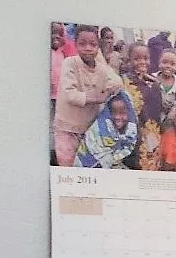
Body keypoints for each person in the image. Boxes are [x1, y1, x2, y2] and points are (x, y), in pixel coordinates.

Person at [53, 25, 122, 167]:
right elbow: (70, 95)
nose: (88, 48)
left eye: (93, 44)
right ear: (75, 45)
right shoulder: (70, 63)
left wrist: (108, 89)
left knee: (86, 169)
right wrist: (98, 98)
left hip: (89, 131)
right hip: (66, 129)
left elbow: (117, 83)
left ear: (98, 47)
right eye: (82, 44)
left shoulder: (102, 69)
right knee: (68, 169)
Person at [122, 42, 165, 170]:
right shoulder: (124, 82)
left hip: (153, 133)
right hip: (133, 135)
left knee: (151, 163)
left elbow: (157, 110)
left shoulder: (154, 82)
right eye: (137, 59)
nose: (142, 62)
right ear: (129, 61)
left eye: (146, 58)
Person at [75, 88, 138, 169]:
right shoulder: (99, 130)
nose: (118, 117)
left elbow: (127, 149)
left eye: (122, 113)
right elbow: (98, 159)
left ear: (130, 114)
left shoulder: (131, 131)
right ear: (107, 113)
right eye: (113, 112)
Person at [155, 49, 176, 170]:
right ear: (159, 62)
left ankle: (167, 172)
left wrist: (173, 110)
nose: (168, 66)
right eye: (164, 62)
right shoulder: (151, 78)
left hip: (170, 123)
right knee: (154, 150)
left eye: (172, 64)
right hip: (153, 123)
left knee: (170, 151)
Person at [49, 22, 67, 161]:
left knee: (58, 125)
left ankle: (57, 151)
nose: (56, 36)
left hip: (60, 96)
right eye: (52, 32)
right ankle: (51, 151)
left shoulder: (61, 54)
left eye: (59, 34)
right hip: (49, 96)